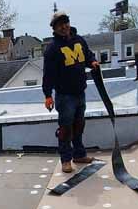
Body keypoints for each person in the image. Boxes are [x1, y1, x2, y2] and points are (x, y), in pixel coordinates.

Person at [42, 11, 99, 173]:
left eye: (65, 23)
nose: (63, 27)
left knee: (79, 125)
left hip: (80, 92)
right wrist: (47, 95)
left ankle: (79, 155)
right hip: (64, 96)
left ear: (69, 23)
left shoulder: (79, 40)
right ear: (54, 28)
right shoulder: (52, 49)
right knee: (65, 129)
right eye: (59, 25)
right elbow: (48, 75)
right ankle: (66, 160)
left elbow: (87, 55)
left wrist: (93, 61)